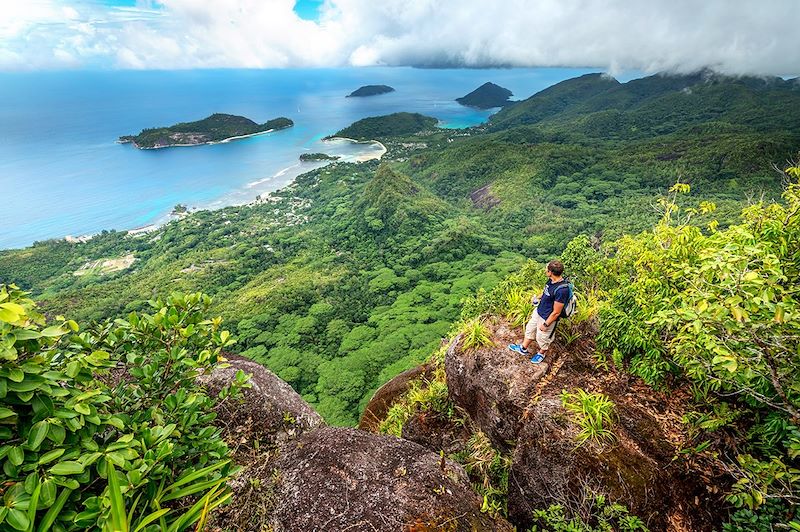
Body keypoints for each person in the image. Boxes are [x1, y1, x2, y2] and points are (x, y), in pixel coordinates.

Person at [508, 260, 569, 363]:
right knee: (530, 329)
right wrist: (537, 298)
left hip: (548, 317)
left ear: (550, 272)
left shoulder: (562, 290)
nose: (545, 271)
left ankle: (541, 353)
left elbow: (556, 312)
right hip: (540, 310)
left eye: (547, 270)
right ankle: (523, 348)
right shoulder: (551, 280)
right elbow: (546, 292)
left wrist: (546, 324)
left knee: (542, 337)